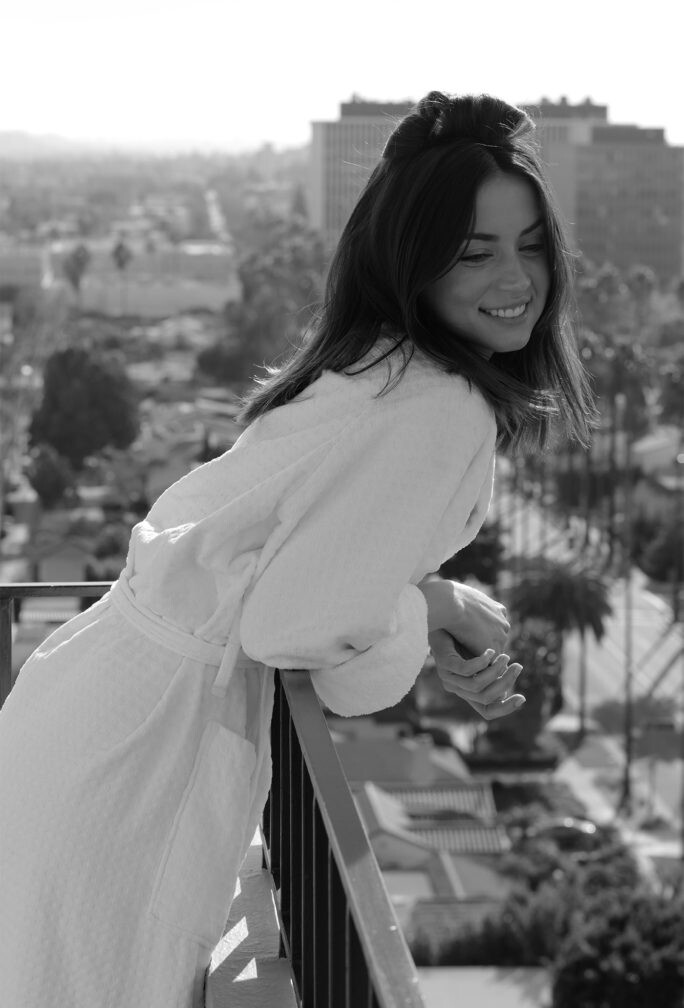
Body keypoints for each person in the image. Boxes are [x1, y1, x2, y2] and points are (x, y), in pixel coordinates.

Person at [0, 91, 595, 1007]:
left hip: (84, 704)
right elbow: (292, 628)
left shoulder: (375, 361)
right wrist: (433, 605)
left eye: (531, 245)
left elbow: (306, 561)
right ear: (413, 260)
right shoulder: (444, 406)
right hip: (143, 756)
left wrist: (424, 608)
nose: (516, 278)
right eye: (475, 252)